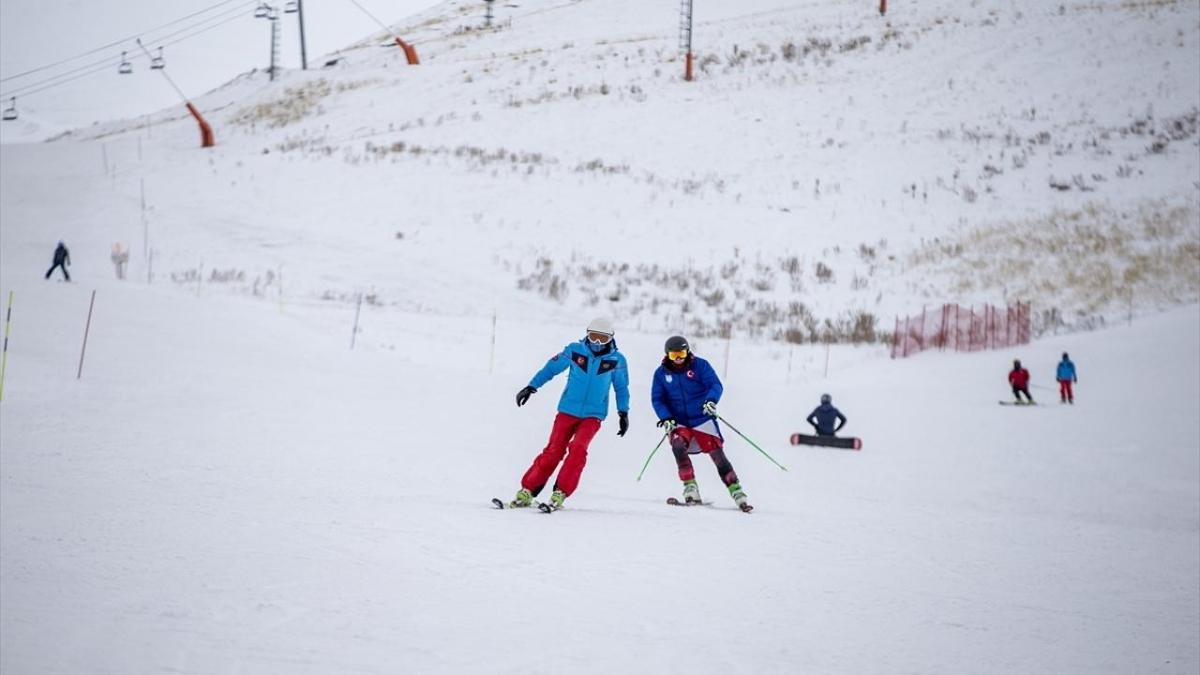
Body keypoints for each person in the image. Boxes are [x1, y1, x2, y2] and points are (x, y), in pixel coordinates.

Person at [508, 318, 630, 510]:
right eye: (594, 337)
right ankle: (528, 490)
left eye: (603, 339)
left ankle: (561, 491)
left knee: (578, 448)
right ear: (587, 334)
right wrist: (532, 386)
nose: (597, 343)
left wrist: (623, 412)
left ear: (611, 339)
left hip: (593, 414)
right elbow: (551, 368)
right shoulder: (575, 350)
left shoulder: (617, 360)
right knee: (554, 450)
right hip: (567, 410)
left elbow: (621, 388)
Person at [650, 335, 751, 511]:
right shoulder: (661, 374)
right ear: (667, 355)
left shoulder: (700, 366)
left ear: (688, 351)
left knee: (717, 454)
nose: (679, 359)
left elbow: (715, 385)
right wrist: (666, 417)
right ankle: (690, 486)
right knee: (677, 444)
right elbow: (657, 398)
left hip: (702, 418)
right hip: (679, 420)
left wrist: (711, 400)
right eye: (674, 356)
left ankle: (736, 490)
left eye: (681, 353)